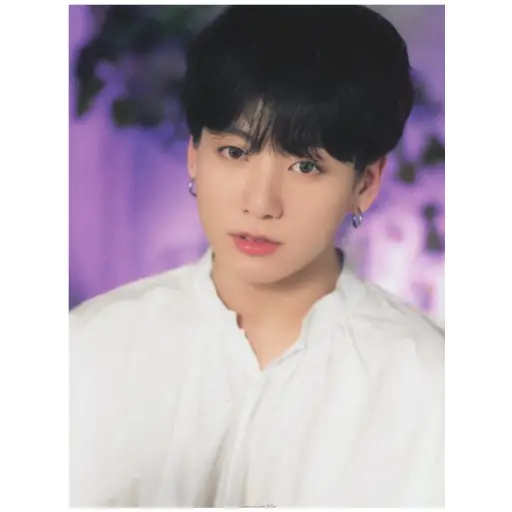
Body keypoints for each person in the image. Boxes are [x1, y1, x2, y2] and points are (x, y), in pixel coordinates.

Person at [69, 5, 444, 507]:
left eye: (306, 166)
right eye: (234, 152)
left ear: (366, 183)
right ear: (194, 156)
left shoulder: (429, 380)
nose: (261, 203)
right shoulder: (90, 347)